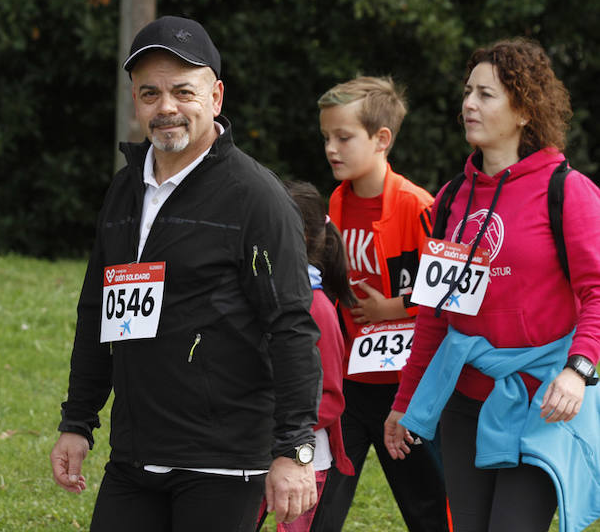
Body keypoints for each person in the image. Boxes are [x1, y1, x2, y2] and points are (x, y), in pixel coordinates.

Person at [49, 15, 322, 532]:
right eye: (149, 93)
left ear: (215, 97)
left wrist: (294, 450)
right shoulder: (125, 190)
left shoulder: (256, 198)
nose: (166, 107)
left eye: (183, 91)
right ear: (134, 100)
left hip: (222, 461)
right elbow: (97, 311)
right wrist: (78, 421)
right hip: (135, 455)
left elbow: (291, 326)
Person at [385, 38, 600, 531]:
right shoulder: (451, 199)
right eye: (467, 92)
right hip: (465, 402)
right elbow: (435, 312)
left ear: (524, 109)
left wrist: (578, 369)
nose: (468, 105)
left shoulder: (566, 190)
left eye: (485, 94)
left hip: (541, 399)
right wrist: (405, 402)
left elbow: (596, 293)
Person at [311, 76, 449, 532]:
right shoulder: (335, 201)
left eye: (344, 137)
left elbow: (454, 290)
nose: (332, 148)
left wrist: (397, 307)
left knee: (428, 504)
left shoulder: (419, 207)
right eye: (327, 137)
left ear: (382, 139)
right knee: (317, 505)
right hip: (347, 384)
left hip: (404, 390)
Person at [257, 181, 356, 532]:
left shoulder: (316, 307)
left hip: (303, 460)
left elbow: (329, 398)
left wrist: (279, 430)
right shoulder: (256, 299)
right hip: (252, 452)